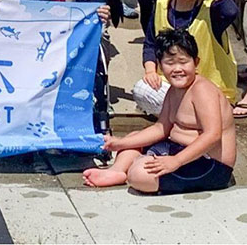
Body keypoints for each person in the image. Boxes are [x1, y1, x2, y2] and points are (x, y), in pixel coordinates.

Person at [84, 29, 236, 194]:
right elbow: (161, 128)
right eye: (170, 63)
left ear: (196, 62)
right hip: (177, 149)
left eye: (183, 62)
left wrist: (176, 161)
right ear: (160, 66)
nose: (177, 69)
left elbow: (213, 135)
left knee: (139, 175)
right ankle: (116, 171)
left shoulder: (202, 90)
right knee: (133, 138)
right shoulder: (173, 91)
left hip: (210, 164)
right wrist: (120, 143)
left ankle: (134, 168)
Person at [134, 0, 239, 116]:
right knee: (142, 89)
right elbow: (150, 44)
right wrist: (150, 71)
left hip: (209, 90)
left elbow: (231, 11)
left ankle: (186, 117)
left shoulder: (211, 9)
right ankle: (185, 117)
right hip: (174, 84)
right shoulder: (161, 4)